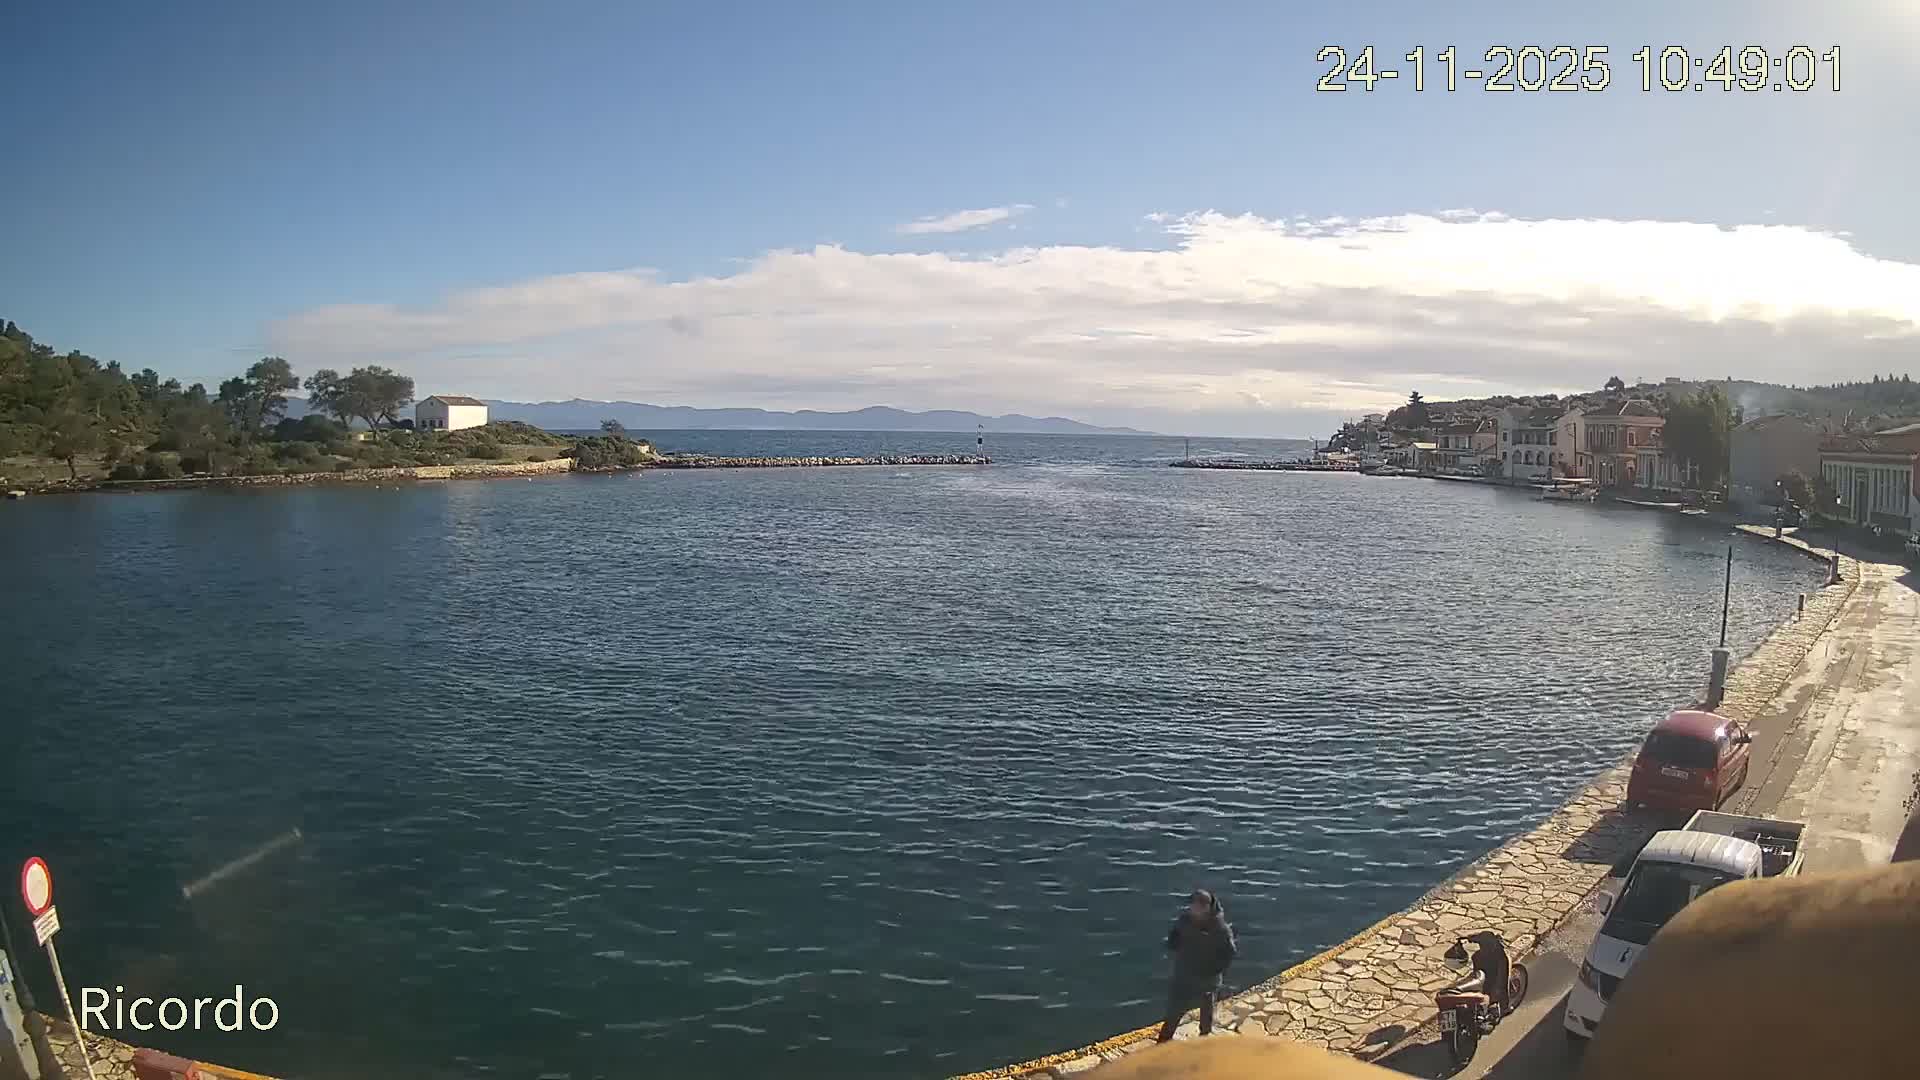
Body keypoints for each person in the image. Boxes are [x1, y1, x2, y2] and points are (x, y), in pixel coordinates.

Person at [1155, 888, 1236, 1042]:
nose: (1196, 909)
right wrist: (1172, 942)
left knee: (1206, 1013)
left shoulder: (1220, 929)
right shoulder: (1185, 920)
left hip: (1208, 980)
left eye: (1201, 906)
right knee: (1174, 1012)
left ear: (1209, 907)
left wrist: (1214, 970)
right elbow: (1175, 936)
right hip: (1184, 975)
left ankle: (1203, 1041)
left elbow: (1229, 953)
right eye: (1194, 905)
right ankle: (1163, 1042)